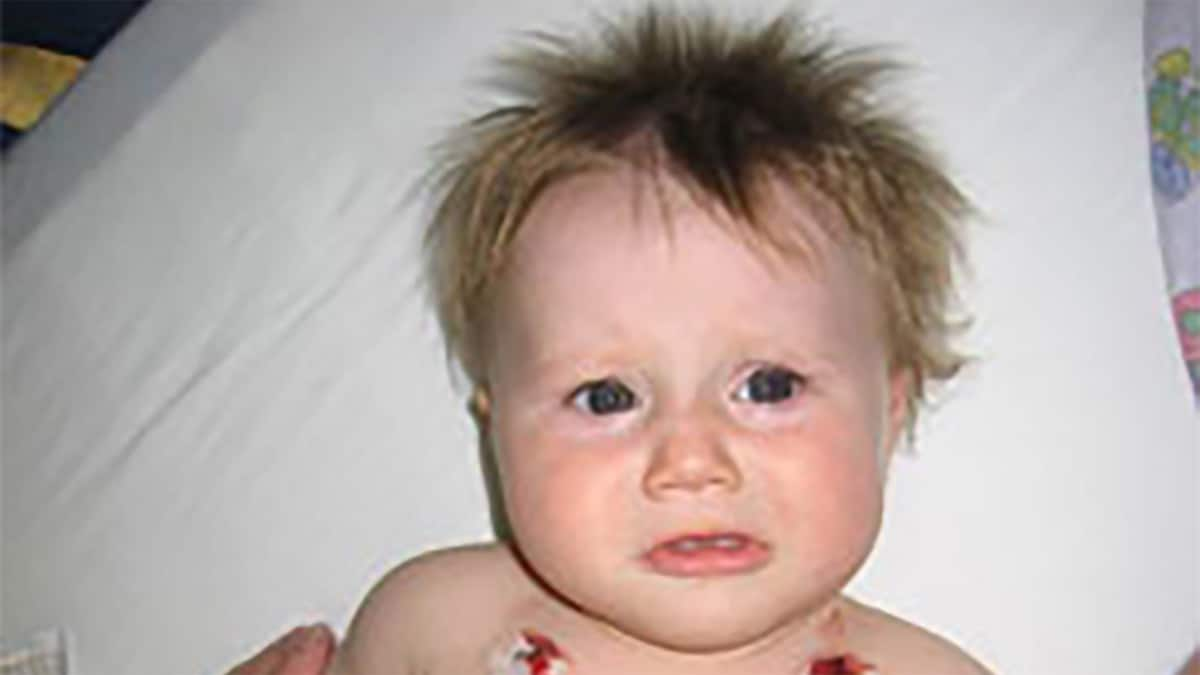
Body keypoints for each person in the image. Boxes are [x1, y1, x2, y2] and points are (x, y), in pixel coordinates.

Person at [230, 5, 994, 673]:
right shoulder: (436, 623)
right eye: (606, 397)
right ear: (496, 431)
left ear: (889, 414)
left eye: (767, 386)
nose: (690, 463)